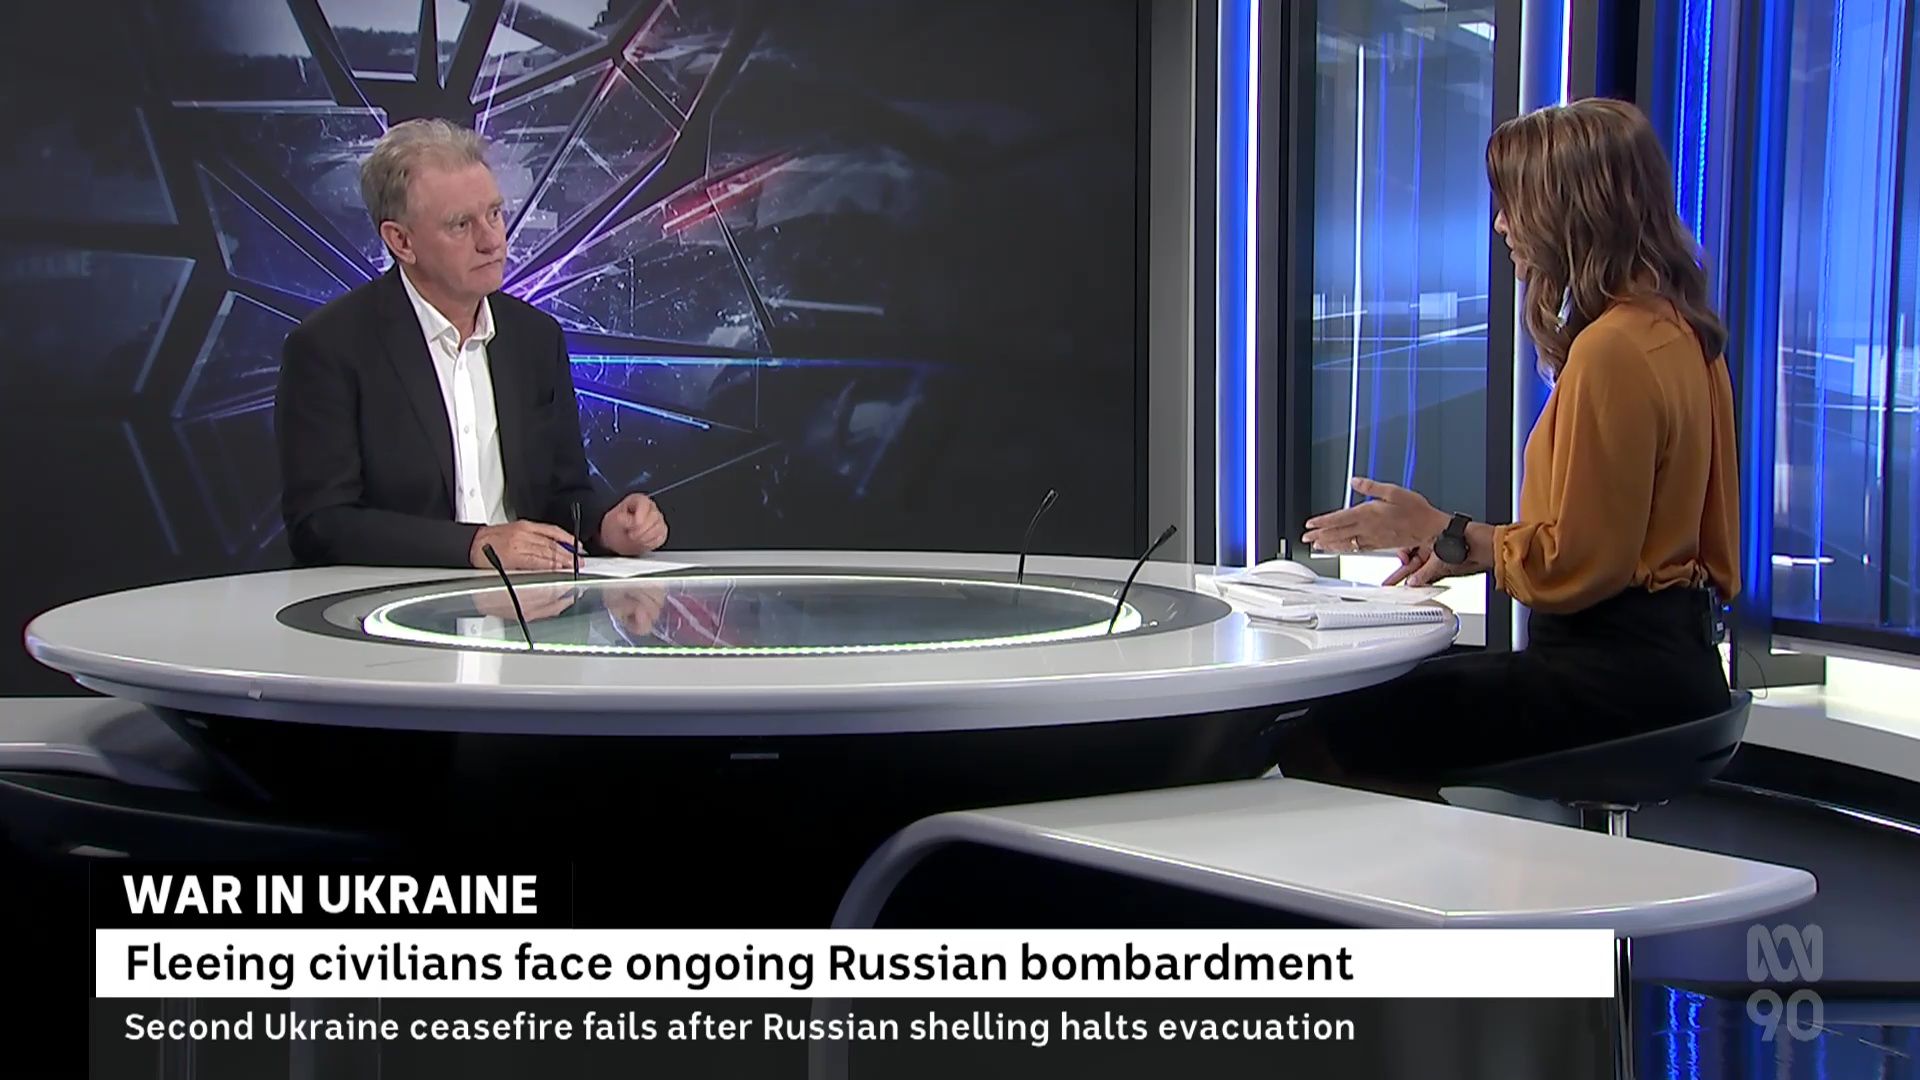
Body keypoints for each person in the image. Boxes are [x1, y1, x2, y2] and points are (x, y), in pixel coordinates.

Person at [1276, 98, 1740, 793]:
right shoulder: (1682, 333)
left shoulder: (1612, 351)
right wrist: (1463, 548)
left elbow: (1579, 564)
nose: (1501, 224)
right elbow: (1624, 543)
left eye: (1514, 203)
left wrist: (1444, 528)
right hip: (1680, 671)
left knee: (1327, 730)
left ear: (1572, 210)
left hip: (1608, 685)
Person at [275, 117, 669, 570]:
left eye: (494, 214)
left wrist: (605, 527)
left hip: (531, 600)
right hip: (393, 601)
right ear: (400, 241)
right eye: (461, 224)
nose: (492, 241)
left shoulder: (535, 338)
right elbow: (321, 524)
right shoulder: (329, 347)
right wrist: (472, 545)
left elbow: (562, 494)